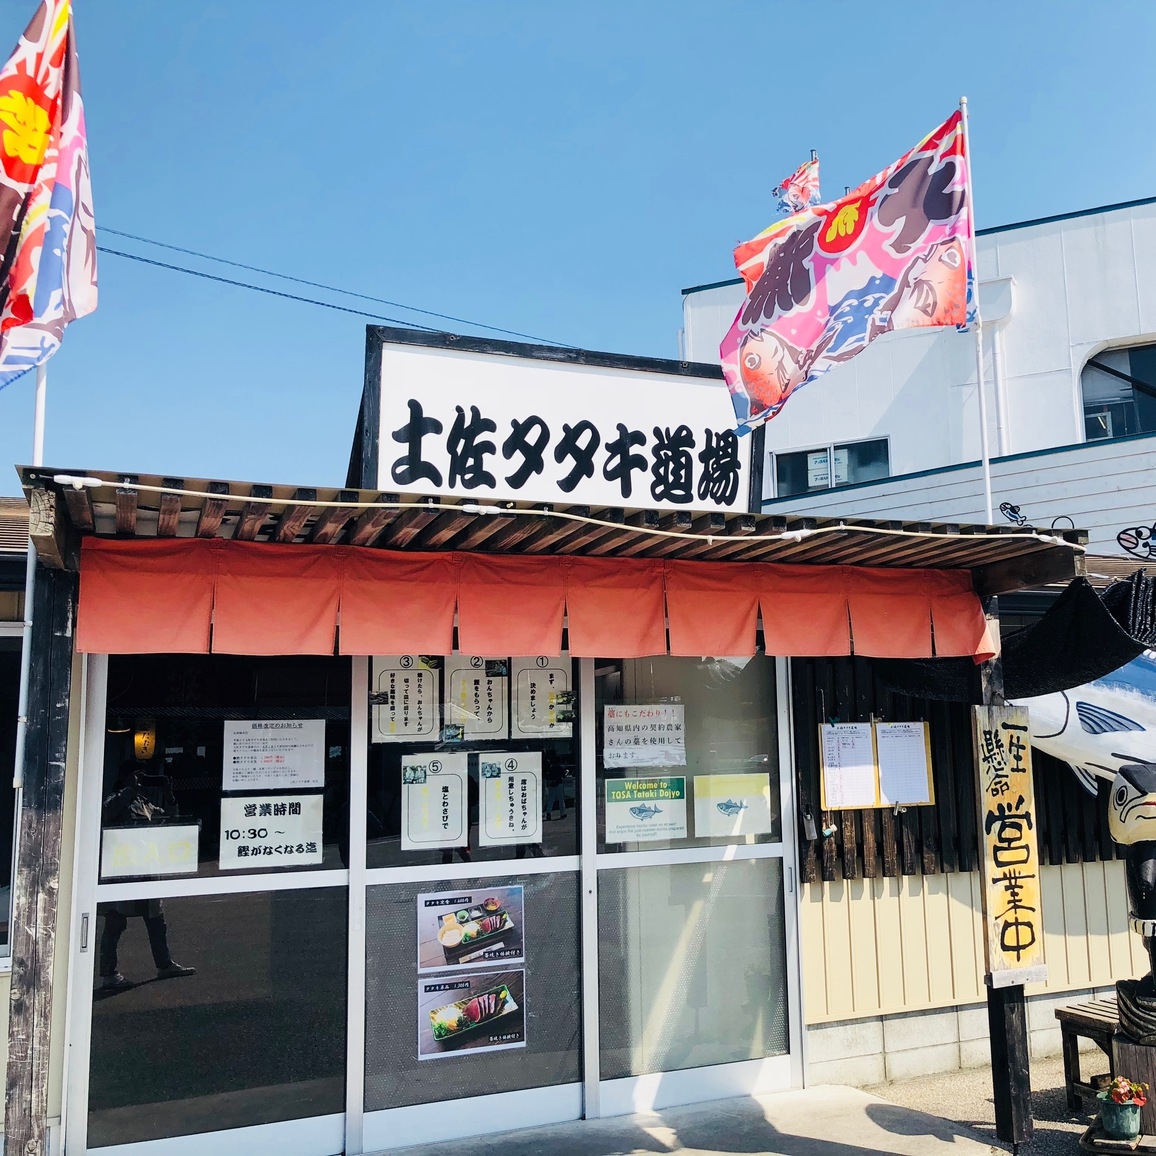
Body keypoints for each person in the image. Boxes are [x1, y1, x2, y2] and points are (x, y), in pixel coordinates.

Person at [98, 760, 195, 990]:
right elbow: (107, 812)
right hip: (121, 871)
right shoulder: (116, 798)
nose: (140, 778)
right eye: (135, 774)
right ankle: (109, 974)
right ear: (125, 777)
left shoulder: (144, 803)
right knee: (115, 922)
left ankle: (164, 965)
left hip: (146, 869)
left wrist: (168, 793)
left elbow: (170, 817)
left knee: (155, 919)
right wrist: (130, 789)